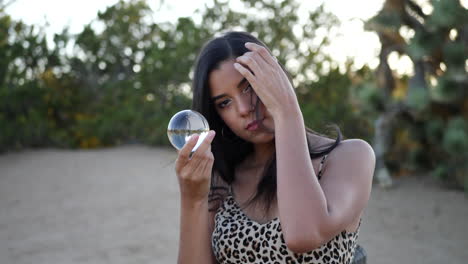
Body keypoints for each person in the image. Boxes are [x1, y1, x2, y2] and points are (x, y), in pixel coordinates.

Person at [174, 31, 375, 264]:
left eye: (248, 86)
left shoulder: (348, 157)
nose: (242, 108)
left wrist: (286, 112)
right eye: (224, 102)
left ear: (276, 79)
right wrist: (192, 198)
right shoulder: (223, 178)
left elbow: (304, 234)